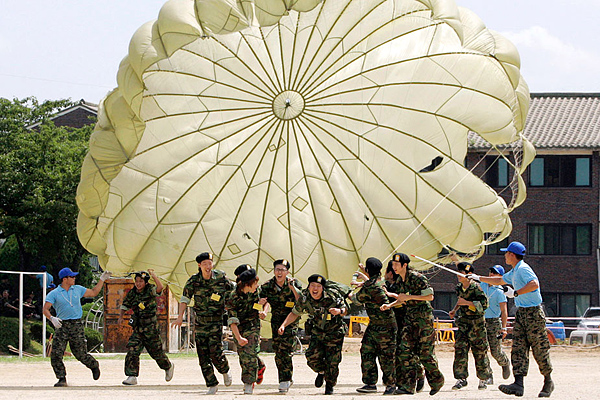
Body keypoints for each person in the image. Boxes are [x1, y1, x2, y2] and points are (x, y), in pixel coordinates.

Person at [468, 241, 554, 397]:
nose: (505, 256)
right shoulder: (514, 271)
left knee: (539, 349)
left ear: (512, 255)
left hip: (533, 313)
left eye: (506, 253)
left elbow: (534, 284)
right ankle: (518, 384)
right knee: (519, 348)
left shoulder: (523, 269)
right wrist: (478, 278)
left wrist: (516, 293)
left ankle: (548, 381)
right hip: (522, 313)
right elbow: (499, 280)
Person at [381, 253, 444, 395]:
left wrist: (409, 297)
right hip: (410, 319)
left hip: (423, 320)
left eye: (397, 264)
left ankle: (436, 381)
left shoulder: (417, 278)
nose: (394, 267)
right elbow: (403, 299)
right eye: (393, 264)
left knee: (425, 353)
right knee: (404, 351)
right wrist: (389, 305)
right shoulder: (399, 281)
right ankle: (407, 386)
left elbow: (430, 296)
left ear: (405, 265)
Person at [172, 252, 234, 394]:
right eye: (204, 264)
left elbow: (234, 291)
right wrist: (180, 316)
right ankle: (212, 384)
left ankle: (225, 370)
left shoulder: (220, 277)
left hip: (215, 323)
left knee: (216, 352)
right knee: (203, 356)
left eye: (209, 263)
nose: (208, 266)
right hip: (200, 323)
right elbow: (185, 299)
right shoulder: (193, 281)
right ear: (199, 265)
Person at [278, 274, 347, 395]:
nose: (315, 289)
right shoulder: (305, 299)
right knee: (311, 357)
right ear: (309, 287)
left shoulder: (331, 296)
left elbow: (345, 308)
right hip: (318, 331)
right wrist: (284, 325)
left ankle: (330, 385)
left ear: (323, 288)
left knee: (333, 361)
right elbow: (295, 313)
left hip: (334, 332)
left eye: (318, 286)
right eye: (313, 286)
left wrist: (339, 311)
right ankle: (321, 371)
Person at [43, 267, 111, 387]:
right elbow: (45, 309)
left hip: (76, 324)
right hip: (62, 324)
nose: (74, 278)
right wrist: (52, 318)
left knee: (80, 353)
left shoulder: (78, 289)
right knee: (56, 354)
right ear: (65, 279)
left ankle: (93, 365)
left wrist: (102, 280)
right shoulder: (54, 293)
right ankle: (61, 378)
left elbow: (94, 292)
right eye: (72, 277)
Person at [350, 257, 397, 395]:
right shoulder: (380, 281)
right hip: (377, 325)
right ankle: (370, 383)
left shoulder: (370, 286)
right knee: (367, 350)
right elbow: (372, 281)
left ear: (369, 270)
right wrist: (365, 274)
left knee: (386, 356)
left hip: (385, 326)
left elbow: (356, 300)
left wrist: (348, 291)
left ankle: (390, 385)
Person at [119, 270, 174, 385]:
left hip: (151, 328)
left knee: (156, 352)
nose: (138, 284)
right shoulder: (133, 293)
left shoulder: (150, 290)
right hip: (139, 327)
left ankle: (168, 366)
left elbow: (160, 288)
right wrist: (120, 316)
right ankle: (132, 376)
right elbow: (125, 305)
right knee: (132, 349)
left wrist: (154, 275)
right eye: (136, 281)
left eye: (141, 281)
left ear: (145, 282)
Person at [259, 259, 302, 393]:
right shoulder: (267, 286)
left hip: (291, 321)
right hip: (276, 322)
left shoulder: (294, 283)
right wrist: (263, 311)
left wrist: (292, 288)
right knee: (278, 352)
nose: (279, 272)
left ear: (287, 272)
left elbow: (301, 300)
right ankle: (285, 378)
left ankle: (285, 379)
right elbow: (264, 302)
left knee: (286, 351)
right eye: (277, 269)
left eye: (282, 270)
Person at [382, 261, 426, 393]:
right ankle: (401, 382)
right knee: (400, 352)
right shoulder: (393, 284)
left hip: (404, 321)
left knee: (406, 351)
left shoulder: (400, 284)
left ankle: (418, 373)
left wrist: (391, 296)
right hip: (396, 321)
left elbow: (404, 299)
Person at [448, 262, 492, 390]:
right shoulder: (459, 287)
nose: (459, 275)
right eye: (458, 272)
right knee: (460, 350)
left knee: (480, 352)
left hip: (476, 326)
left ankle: (483, 379)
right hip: (463, 324)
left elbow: (484, 306)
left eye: (462, 273)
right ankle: (461, 378)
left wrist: (467, 303)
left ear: (469, 275)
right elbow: (460, 300)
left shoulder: (476, 288)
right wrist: (454, 310)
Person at [226, 265, 267, 394]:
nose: (257, 286)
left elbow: (266, 302)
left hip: (253, 325)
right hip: (239, 327)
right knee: (243, 354)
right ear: (248, 284)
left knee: (249, 352)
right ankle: (259, 366)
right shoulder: (233, 297)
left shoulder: (257, 291)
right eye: (255, 283)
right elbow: (232, 321)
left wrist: (263, 311)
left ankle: (249, 382)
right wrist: (238, 338)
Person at [480, 265, 511, 383]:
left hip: (494, 322)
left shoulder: (500, 292)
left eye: (495, 273)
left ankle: (504, 362)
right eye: (491, 272)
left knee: (495, 351)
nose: (491, 274)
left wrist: (504, 328)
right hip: (482, 320)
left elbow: (504, 311)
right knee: (482, 349)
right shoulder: (482, 285)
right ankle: (488, 375)